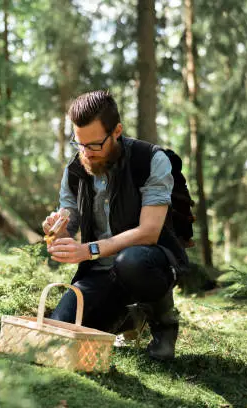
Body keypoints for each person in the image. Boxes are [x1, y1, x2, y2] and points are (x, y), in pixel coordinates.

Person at [42, 90, 188, 360]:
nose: (86, 153)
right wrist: (57, 228)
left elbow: (149, 232)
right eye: (79, 143)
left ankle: (164, 325)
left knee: (130, 262)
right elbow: (69, 221)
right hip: (99, 274)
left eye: (94, 145)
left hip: (147, 263)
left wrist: (89, 250)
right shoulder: (75, 170)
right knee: (60, 328)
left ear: (117, 131)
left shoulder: (150, 161)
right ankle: (129, 319)